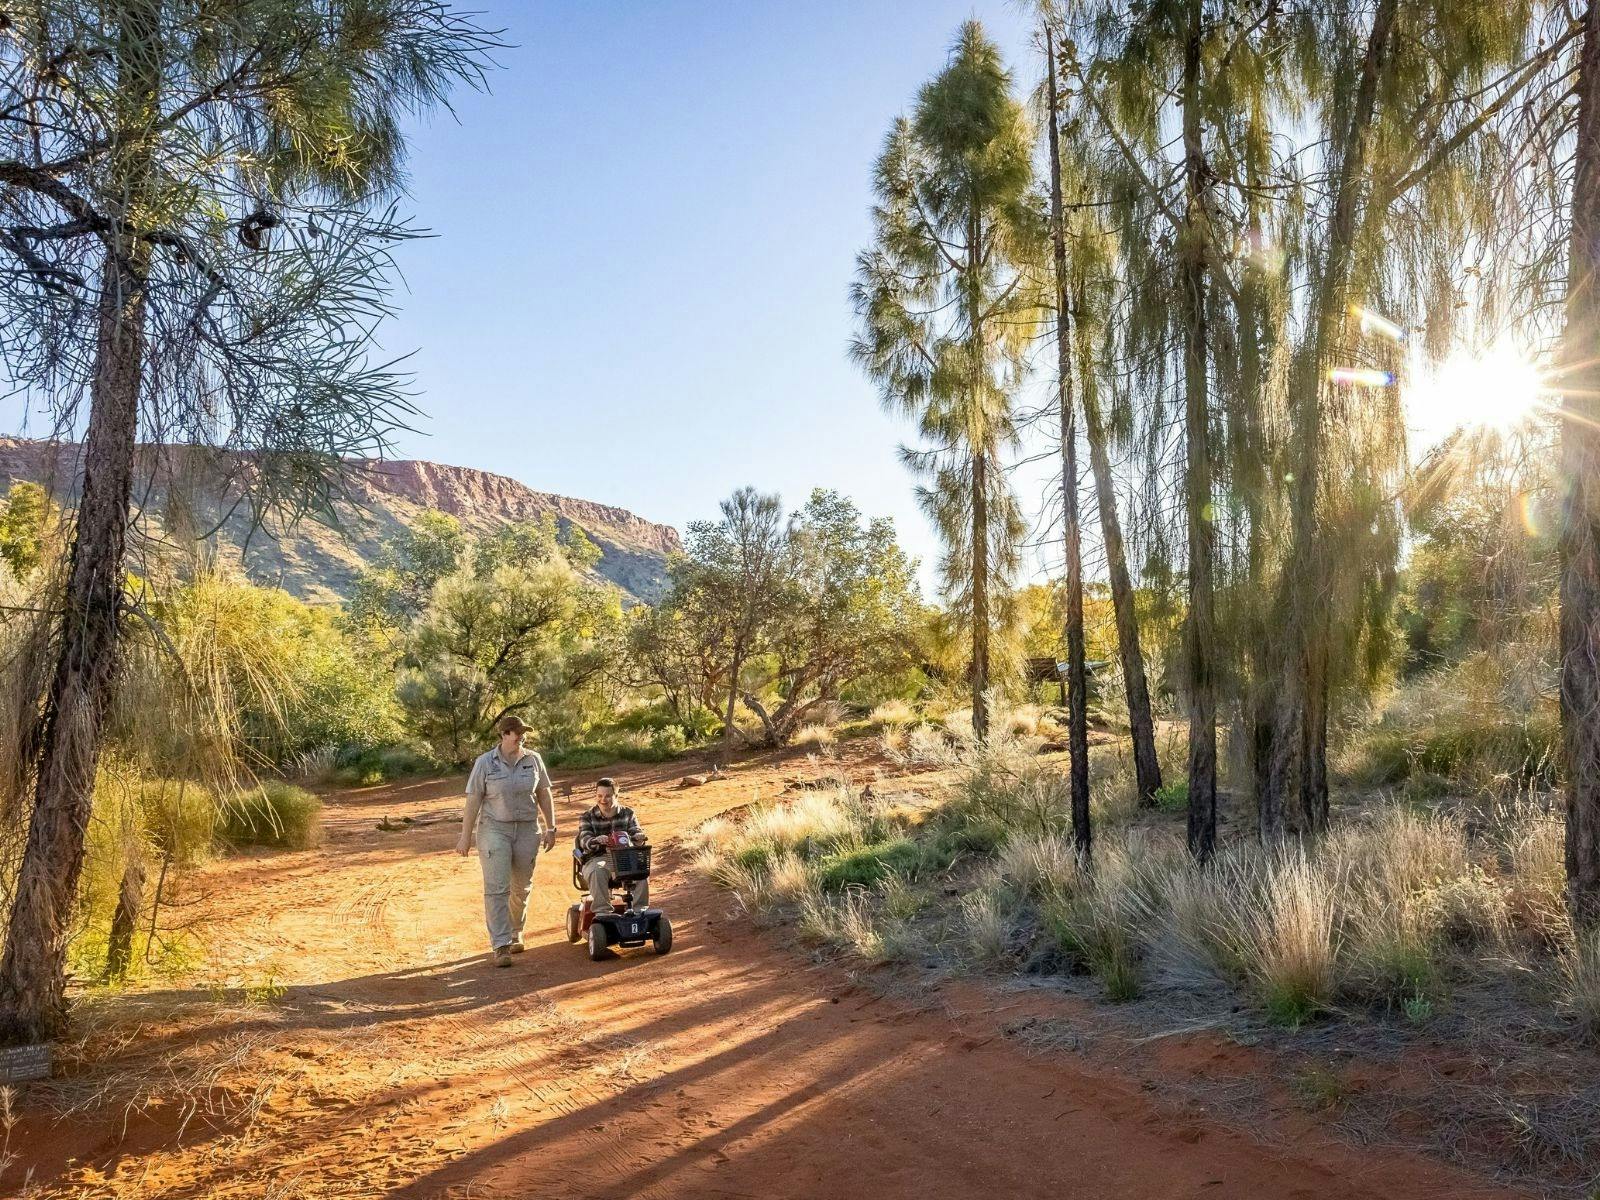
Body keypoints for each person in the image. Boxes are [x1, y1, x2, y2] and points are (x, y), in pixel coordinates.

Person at [458, 714, 557, 967]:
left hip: (527, 829)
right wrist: (465, 837)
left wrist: (551, 827)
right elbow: (473, 801)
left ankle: (515, 932)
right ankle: (501, 945)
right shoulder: (485, 763)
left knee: (521, 886)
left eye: (523, 732)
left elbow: (544, 793)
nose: (520, 736)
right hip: (494, 830)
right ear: (503, 735)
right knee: (497, 888)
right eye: (515, 732)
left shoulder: (533, 760)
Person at [576, 777, 649, 913]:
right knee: (597, 871)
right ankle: (603, 912)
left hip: (624, 857)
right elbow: (584, 840)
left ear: (616, 795)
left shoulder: (628, 813)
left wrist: (639, 837)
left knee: (641, 870)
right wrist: (596, 840)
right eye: (599, 796)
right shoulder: (587, 816)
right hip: (598, 857)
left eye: (608, 796)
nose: (603, 799)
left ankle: (640, 910)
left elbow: (636, 832)